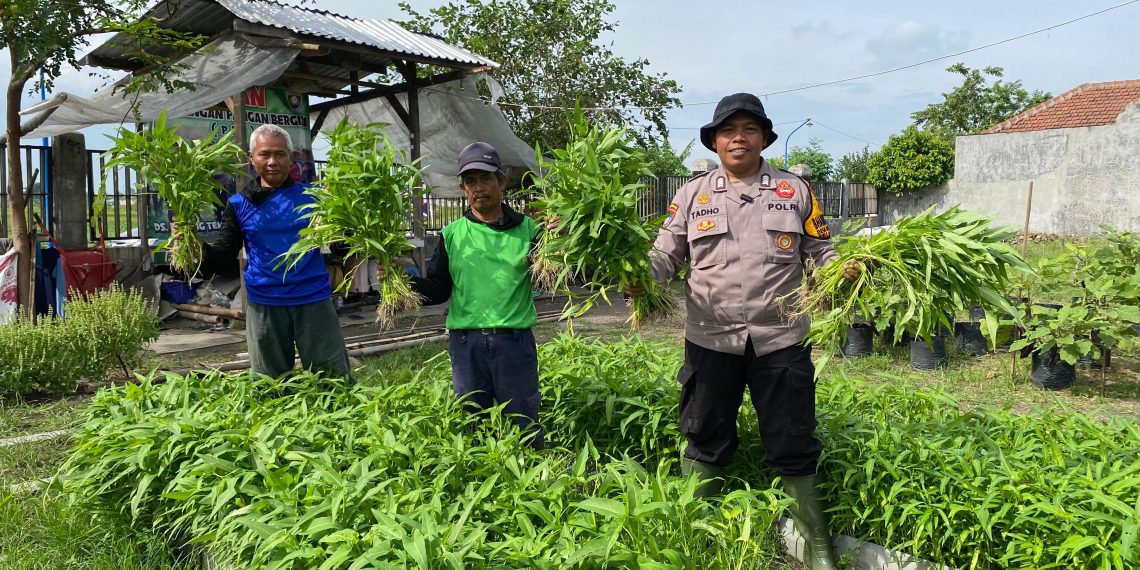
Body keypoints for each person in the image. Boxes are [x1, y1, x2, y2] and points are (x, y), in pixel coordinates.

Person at [628, 93, 861, 570]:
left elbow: (822, 251)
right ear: (715, 141)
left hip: (782, 338)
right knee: (705, 433)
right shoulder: (692, 195)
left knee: (793, 438)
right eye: (729, 130)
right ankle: (695, 535)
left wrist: (845, 270)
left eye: (749, 129)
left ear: (763, 138)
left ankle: (819, 550)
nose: (739, 137)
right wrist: (637, 277)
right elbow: (665, 255)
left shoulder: (794, 191)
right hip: (711, 338)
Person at [396, 142, 544, 447]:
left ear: (501, 182)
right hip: (467, 345)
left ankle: (533, 482)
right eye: (471, 181)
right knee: (473, 422)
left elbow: (550, 279)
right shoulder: (452, 235)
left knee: (523, 420)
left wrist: (558, 244)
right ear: (463, 188)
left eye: (486, 179)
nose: (479, 188)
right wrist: (404, 281)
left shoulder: (529, 230)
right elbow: (438, 290)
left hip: (514, 341)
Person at [202, 123, 352, 379]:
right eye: (265, 154)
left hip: (313, 299)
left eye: (280, 154)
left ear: (291, 158)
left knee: (333, 380)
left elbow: (341, 247)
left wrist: (344, 216)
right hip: (265, 304)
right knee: (269, 384)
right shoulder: (240, 204)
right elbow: (223, 258)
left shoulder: (314, 197)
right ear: (252, 159)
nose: (272, 161)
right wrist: (193, 248)